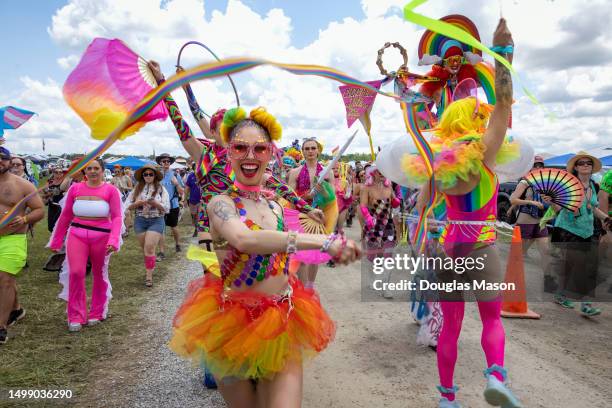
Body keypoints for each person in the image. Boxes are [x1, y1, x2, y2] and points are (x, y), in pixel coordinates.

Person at [169, 106, 360, 407]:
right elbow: (244, 239)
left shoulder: (277, 207)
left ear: (270, 154)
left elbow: (284, 232)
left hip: (283, 322)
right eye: (240, 147)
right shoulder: (220, 204)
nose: (250, 155)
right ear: (228, 152)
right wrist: (324, 242)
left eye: (259, 148)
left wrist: (312, 214)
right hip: (232, 327)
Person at [403, 19, 522, 408]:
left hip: (448, 246)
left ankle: (448, 398)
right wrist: (503, 54)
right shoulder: (486, 154)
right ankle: (496, 374)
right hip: (482, 245)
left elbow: (422, 209)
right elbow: (503, 103)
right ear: (475, 120)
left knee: (451, 327)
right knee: (491, 320)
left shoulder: (435, 164)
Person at [48, 158, 123, 332]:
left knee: (99, 273)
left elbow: (117, 217)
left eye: (96, 168)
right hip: (77, 234)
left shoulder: (110, 190)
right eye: (89, 168)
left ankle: (97, 311)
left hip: (102, 237)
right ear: (84, 171)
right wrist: (57, 240)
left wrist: (113, 240)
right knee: (76, 272)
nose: (93, 171)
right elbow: (66, 215)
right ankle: (75, 315)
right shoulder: (75, 188)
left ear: (102, 170)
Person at [548, 152, 611, 316]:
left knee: (571, 266)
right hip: (567, 229)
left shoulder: (592, 186)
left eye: (588, 163)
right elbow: (558, 209)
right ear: (575, 167)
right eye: (581, 163)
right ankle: (586, 304)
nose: (585, 165)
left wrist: (606, 218)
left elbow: (593, 208)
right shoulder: (568, 185)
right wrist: (551, 202)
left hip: (586, 230)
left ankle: (560, 295)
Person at [0, 146, 44, 344]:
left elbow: (39, 210)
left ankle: (1, 326)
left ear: (9, 161)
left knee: (4, 279)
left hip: (13, 239)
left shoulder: (23, 185)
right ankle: (16, 309)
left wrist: (25, 219)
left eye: (2, 158)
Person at [287, 138, 334, 287]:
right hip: (301, 217)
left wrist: (324, 193)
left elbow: (332, 199)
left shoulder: (328, 173)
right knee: (299, 253)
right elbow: (290, 196)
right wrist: (306, 196)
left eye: (313, 148)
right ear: (303, 152)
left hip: (319, 217)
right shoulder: (295, 172)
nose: (310, 151)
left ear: (318, 150)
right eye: (307, 149)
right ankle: (301, 285)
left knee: (315, 253)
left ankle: (310, 285)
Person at [126, 164, 170, 287]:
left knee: (149, 247)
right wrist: (137, 203)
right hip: (140, 220)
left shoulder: (161, 189)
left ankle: (149, 276)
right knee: (145, 248)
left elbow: (167, 208)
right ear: (142, 176)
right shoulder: (137, 189)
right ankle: (150, 264)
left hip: (156, 220)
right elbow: (127, 205)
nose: (148, 176)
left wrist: (156, 203)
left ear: (155, 176)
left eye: (151, 174)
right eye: (146, 174)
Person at [509, 155, 551, 280]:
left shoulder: (546, 183)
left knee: (545, 250)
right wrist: (531, 202)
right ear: (530, 167)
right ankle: (513, 279)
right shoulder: (525, 181)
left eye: (540, 166)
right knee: (518, 254)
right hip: (525, 221)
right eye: (535, 165)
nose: (537, 168)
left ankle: (548, 279)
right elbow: (512, 199)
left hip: (540, 221)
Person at [359, 165, 399, 262]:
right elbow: (363, 206)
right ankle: (371, 272)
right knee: (371, 256)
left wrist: (396, 201)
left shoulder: (389, 186)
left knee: (388, 253)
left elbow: (394, 203)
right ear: (373, 173)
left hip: (388, 224)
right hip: (373, 224)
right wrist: (368, 217)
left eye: (384, 171)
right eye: (379, 171)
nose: (382, 173)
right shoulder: (366, 188)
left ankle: (385, 274)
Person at [155, 153, 184, 258]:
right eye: (164, 161)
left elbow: (182, 192)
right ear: (160, 163)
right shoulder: (157, 176)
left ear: (170, 163)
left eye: (168, 161)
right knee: (161, 229)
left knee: (174, 227)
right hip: (160, 206)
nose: (166, 163)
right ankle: (161, 252)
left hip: (173, 205)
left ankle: (177, 244)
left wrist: (176, 184)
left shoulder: (175, 175)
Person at [183, 164, 201, 237]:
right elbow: (187, 188)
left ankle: (198, 230)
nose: (197, 169)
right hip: (192, 200)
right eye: (196, 167)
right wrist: (184, 199)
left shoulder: (203, 175)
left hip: (201, 200)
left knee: (199, 215)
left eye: (198, 167)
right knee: (194, 216)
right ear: (193, 169)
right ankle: (196, 227)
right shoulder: (191, 176)